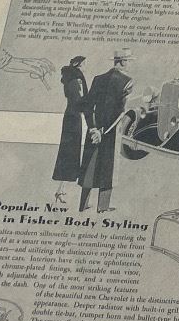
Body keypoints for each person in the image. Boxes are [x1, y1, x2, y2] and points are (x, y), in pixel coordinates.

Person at [79, 51, 134, 214]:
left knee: (90, 166)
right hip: (110, 131)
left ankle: (83, 205)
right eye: (128, 61)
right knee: (108, 168)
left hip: (94, 129)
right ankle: (102, 207)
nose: (129, 64)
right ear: (122, 62)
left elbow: (87, 106)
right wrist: (103, 132)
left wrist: (93, 128)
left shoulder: (98, 78)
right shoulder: (127, 81)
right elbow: (120, 112)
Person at [53, 55, 89, 208]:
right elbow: (78, 101)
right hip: (73, 118)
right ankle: (60, 190)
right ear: (78, 65)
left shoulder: (70, 78)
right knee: (71, 153)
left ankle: (61, 189)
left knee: (70, 153)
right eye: (84, 64)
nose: (86, 66)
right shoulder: (76, 80)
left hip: (71, 117)